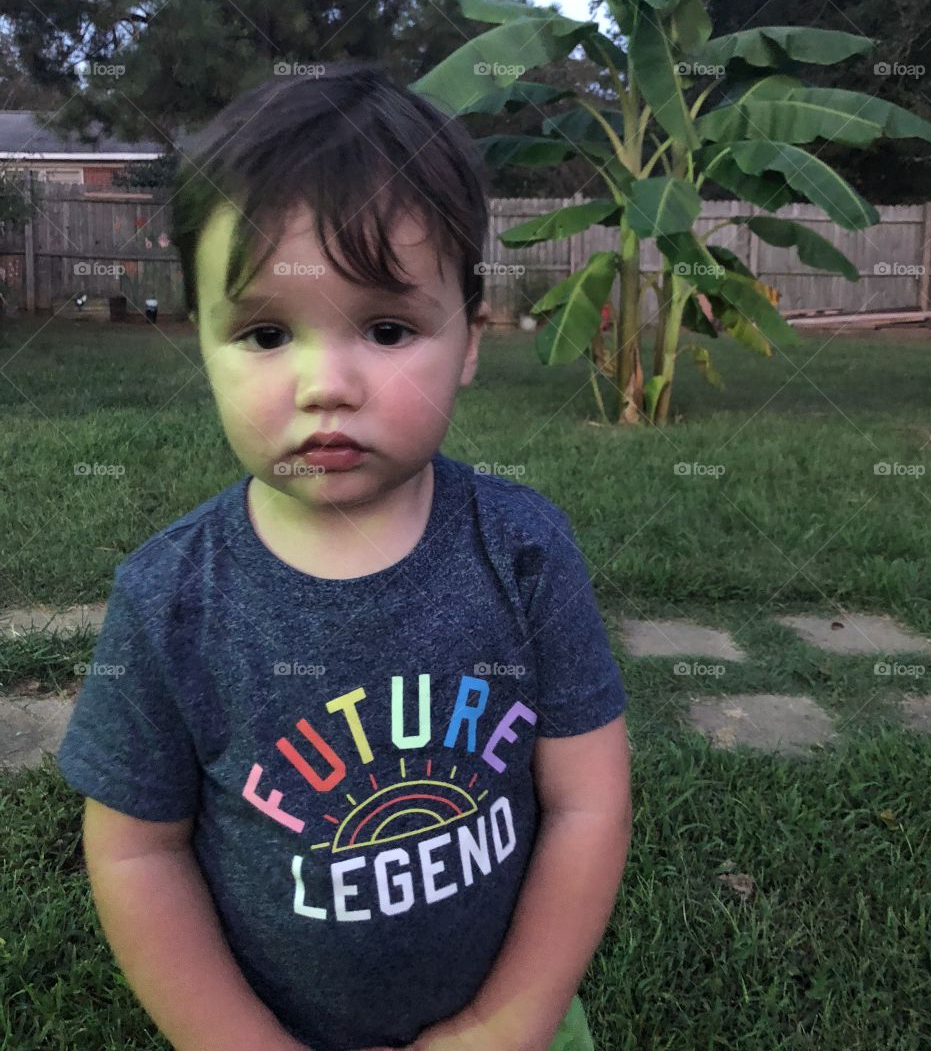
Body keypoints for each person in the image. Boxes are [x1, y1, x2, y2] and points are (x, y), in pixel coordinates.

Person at [56, 63, 633, 1051]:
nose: (328, 382)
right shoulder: (170, 600)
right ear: (201, 342)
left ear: (468, 341)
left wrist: (511, 1019)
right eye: (267, 331)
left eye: (387, 326)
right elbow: (138, 853)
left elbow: (587, 798)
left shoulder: (525, 551)